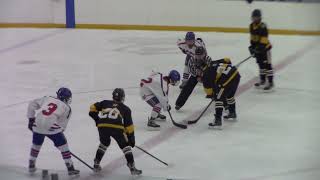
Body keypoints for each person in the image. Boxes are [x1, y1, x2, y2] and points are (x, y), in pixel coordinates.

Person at [89, 88, 142, 175]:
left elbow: (92, 109)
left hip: (102, 126)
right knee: (125, 146)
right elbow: (129, 126)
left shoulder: (104, 102)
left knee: (104, 143)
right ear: (122, 97)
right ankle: (132, 167)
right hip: (116, 128)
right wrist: (131, 139)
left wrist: (97, 120)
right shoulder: (126, 108)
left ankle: (96, 163)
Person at [27, 87, 79, 176]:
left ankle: (31, 164)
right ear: (67, 98)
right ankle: (70, 167)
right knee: (63, 145)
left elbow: (32, 104)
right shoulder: (67, 107)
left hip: (37, 123)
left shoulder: (48, 98)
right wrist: (58, 139)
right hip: (52, 127)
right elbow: (62, 126)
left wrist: (31, 119)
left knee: (36, 144)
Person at [201, 58, 241, 129]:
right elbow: (227, 60)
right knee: (229, 95)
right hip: (236, 75)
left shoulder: (206, 73)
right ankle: (232, 113)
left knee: (218, 98)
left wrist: (213, 95)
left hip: (227, 79)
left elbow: (209, 91)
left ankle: (217, 121)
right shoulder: (214, 62)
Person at [175, 46, 211, 110]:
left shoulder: (208, 59)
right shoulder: (191, 59)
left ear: (204, 54)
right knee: (187, 87)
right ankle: (179, 103)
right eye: (197, 55)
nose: (199, 57)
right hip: (195, 75)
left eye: (201, 55)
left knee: (214, 85)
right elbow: (190, 70)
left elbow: (210, 71)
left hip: (206, 75)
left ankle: (221, 101)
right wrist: (197, 75)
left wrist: (202, 77)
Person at [249, 9, 274, 91]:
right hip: (258, 49)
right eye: (253, 17)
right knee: (260, 65)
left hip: (266, 49)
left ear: (260, 18)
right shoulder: (251, 26)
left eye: (256, 17)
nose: (255, 19)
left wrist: (259, 48)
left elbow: (264, 39)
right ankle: (263, 80)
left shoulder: (263, 26)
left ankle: (270, 82)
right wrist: (252, 47)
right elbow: (253, 38)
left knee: (267, 65)